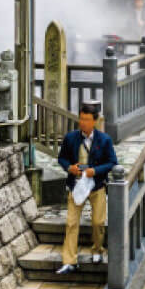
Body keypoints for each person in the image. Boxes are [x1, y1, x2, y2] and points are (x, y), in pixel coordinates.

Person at [56, 103, 118, 275]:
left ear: (95, 121)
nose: (83, 123)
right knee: (71, 223)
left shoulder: (104, 140)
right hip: (76, 185)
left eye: (87, 120)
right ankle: (69, 261)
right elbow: (61, 159)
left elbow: (113, 162)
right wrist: (70, 168)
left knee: (98, 222)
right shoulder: (70, 138)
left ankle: (97, 250)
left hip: (96, 186)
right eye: (81, 119)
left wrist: (95, 171)